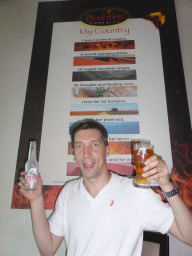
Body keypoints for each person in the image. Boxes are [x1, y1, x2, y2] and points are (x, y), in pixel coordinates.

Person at [19, 120, 192, 256]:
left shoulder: (136, 191)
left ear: (107, 151)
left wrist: (166, 185)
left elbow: (189, 236)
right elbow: (47, 250)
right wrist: (36, 200)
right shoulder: (68, 191)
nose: (86, 154)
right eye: (79, 146)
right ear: (73, 152)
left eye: (94, 144)